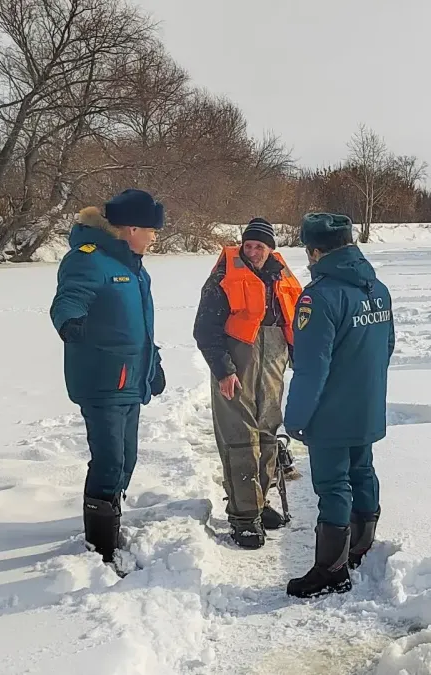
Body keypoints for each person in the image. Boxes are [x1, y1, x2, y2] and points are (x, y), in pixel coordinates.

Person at [49, 188, 167, 565]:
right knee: (110, 459)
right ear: (131, 228)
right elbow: (68, 299)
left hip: (131, 379)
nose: (154, 237)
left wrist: (154, 364)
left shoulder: (132, 267)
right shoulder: (89, 260)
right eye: (151, 230)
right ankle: (100, 547)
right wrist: (71, 324)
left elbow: (140, 326)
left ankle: (110, 520)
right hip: (103, 378)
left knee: (126, 458)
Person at [283, 212, 395, 599]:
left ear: (315, 251)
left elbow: (311, 368)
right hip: (366, 402)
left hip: (330, 410)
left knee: (332, 485)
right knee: (362, 470)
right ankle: (359, 547)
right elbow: (387, 346)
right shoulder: (376, 288)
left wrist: (296, 417)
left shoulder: (320, 296)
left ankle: (331, 570)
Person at [193, 217, 304, 549]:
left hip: (273, 362)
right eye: (249, 245)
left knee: (268, 431)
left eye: (260, 246)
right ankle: (243, 517)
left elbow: (295, 323)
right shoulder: (223, 277)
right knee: (240, 437)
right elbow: (205, 329)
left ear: (270, 248)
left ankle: (258, 502)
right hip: (235, 364)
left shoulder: (281, 276)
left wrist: (300, 363)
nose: (253, 251)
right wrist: (223, 370)